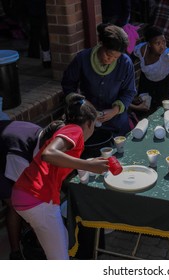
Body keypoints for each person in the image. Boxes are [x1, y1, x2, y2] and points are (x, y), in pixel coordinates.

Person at [11, 93, 109, 260]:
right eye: (94, 125)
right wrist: (88, 165)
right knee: (60, 259)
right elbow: (49, 154)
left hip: (25, 194)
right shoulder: (76, 131)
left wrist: (87, 164)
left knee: (62, 239)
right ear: (89, 123)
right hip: (38, 199)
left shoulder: (67, 129)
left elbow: (56, 161)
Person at [0, 120, 64, 259]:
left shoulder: (44, 135)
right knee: (15, 204)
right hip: (5, 157)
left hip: (9, 147)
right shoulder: (18, 155)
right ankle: (15, 253)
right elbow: (25, 198)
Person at [61, 23, 137, 136]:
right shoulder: (82, 59)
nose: (111, 60)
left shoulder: (125, 63)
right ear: (101, 44)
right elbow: (68, 84)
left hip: (116, 121)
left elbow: (129, 91)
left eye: (116, 57)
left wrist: (114, 111)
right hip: (88, 121)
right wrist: (82, 103)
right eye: (108, 54)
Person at [133, 26, 169, 112]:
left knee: (167, 109)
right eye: (158, 43)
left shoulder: (167, 54)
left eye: (164, 41)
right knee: (146, 109)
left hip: (166, 83)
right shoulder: (141, 50)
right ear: (149, 45)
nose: (162, 46)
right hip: (148, 83)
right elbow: (130, 62)